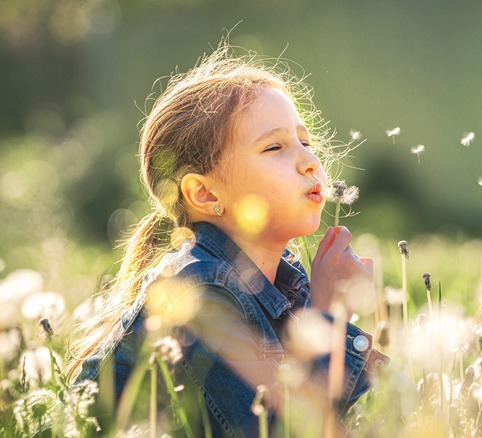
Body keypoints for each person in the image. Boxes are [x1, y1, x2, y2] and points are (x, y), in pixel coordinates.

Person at [67, 43, 387, 436]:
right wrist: (329, 315)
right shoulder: (198, 292)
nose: (310, 161)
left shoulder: (281, 285)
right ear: (205, 194)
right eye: (275, 147)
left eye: (305, 141)